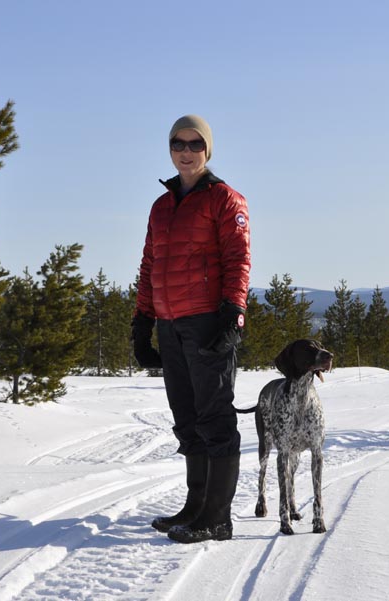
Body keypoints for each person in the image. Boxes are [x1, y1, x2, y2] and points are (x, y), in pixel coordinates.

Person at [131, 115, 250, 544]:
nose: (186, 152)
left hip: (206, 323)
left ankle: (217, 517)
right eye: (178, 144)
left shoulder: (225, 200)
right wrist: (142, 321)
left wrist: (232, 313)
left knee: (214, 419)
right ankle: (195, 507)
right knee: (187, 419)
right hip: (169, 324)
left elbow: (238, 260)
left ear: (207, 150)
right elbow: (150, 264)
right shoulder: (161, 207)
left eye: (195, 144)